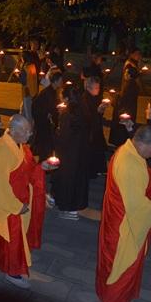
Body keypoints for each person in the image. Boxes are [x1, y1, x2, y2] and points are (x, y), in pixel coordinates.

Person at [96, 125, 151, 302]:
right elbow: (136, 205)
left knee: (112, 259)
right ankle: (115, 298)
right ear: (142, 143)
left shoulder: (127, 149)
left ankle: (110, 292)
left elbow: (137, 180)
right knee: (124, 260)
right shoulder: (130, 163)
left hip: (115, 216)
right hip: (124, 222)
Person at [0, 114, 51, 289]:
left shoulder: (21, 146)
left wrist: (43, 167)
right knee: (12, 237)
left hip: (23, 198)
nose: (29, 134)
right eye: (25, 131)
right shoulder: (0, 151)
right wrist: (16, 206)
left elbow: (30, 168)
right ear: (13, 130)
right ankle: (12, 272)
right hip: (10, 204)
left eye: (30, 131)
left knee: (10, 237)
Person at [51, 86, 90, 220]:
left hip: (69, 153)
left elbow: (63, 135)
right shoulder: (83, 110)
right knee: (77, 179)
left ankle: (69, 209)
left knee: (68, 179)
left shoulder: (68, 114)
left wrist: (57, 124)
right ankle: (74, 205)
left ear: (67, 98)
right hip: (81, 152)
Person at [109, 49, 142, 147]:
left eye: (126, 73)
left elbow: (124, 97)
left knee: (123, 125)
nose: (125, 75)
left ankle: (122, 141)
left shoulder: (130, 84)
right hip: (128, 105)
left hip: (126, 105)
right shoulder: (132, 82)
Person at [81, 76, 109, 177]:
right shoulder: (85, 98)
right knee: (93, 150)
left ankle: (99, 169)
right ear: (88, 87)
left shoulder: (93, 97)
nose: (98, 90)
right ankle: (92, 171)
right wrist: (98, 111)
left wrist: (101, 110)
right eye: (96, 88)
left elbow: (97, 113)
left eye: (98, 87)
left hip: (96, 128)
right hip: (90, 131)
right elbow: (87, 115)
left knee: (98, 149)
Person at [32, 71, 63, 160]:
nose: (62, 82)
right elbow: (46, 107)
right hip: (42, 121)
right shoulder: (47, 92)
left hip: (45, 121)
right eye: (60, 80)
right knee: (45, 144)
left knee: (47, 144)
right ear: (55, 81)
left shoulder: (53, 91)